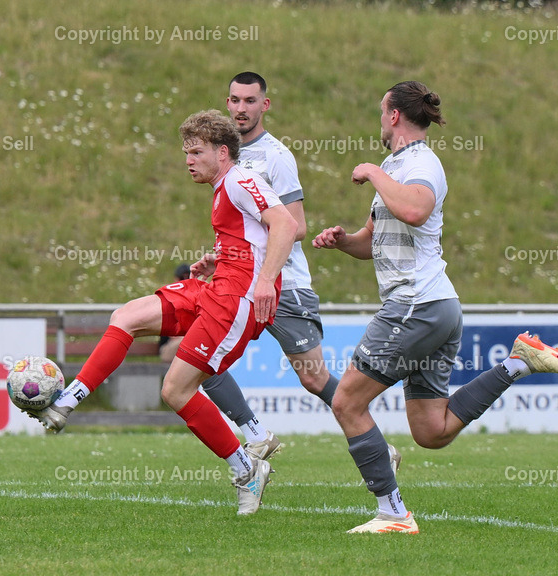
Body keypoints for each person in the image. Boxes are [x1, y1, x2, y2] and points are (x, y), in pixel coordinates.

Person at [312, 81, 558, 533]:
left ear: (395, 115)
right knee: (431, 432)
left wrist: (373, 175)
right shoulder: (396, 164)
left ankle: (393, 515)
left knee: (346, 403)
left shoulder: (421, 163)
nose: (379, 119)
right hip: (436, 307)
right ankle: (517, 364)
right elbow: (374, 240)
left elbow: (416, 210)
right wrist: (343, 243)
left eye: (382, 111)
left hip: (415, 305)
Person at [29, 109, 298, 514]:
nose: (188, 160)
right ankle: (67, 401)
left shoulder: (241, 179)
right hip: (220, 287)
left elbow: (285, 225)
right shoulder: (225, 185)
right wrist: (219, 259)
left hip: (238, 301)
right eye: (185, 152)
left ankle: (245, 470)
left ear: (223, 152)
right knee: (126, 316)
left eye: (196, 151)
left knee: (175, 390)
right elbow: (253, 237)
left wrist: (264, 281)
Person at [197, 71, 400, 470]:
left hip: (283, 285)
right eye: (235, 100)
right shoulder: (225, 156)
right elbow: (241, 225)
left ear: (264, 105)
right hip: (239, 283)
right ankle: (256, 436)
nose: (241, 108)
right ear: (227, 103)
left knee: (313, 378)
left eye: (250, 101)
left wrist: (266, 276)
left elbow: (297, 224)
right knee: (199, 358)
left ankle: (379, 447)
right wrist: (221, 258)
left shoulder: (276, 156)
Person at [157, 263, 191, 363]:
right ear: (176, 279)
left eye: (188, 278)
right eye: (182, 278)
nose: (185, 281)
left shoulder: (196, 298)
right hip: (169, 348)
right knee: (190, 343)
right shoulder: (169, 297)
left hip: (186, 349)